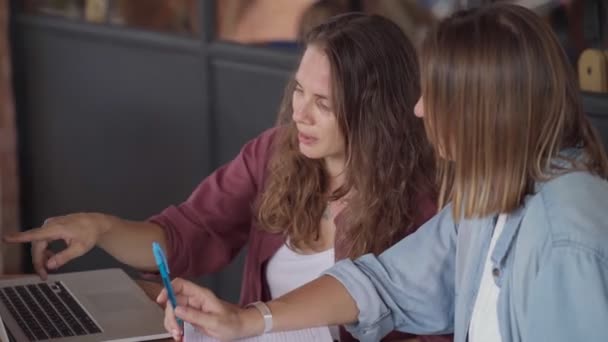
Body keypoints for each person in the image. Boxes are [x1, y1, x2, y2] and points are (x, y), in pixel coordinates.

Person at [156, 3, 608, 342]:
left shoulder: (564, 238)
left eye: (435, 95)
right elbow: (386, 283)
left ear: (485, 111)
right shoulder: (489, 195)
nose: (419, 109)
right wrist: (246, 319)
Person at [4, 13, 451, 342]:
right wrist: (100, 228)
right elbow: (187, 231)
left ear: (374, 112)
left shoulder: (424, 204)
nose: (300, 113)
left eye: (323, 103)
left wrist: (242, 321)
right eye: (298, 90)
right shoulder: (276, 153)